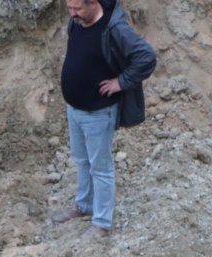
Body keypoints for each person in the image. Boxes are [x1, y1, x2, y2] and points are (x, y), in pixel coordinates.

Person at [52, 0, 156, 238]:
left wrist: (121, 82)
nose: (72, 14)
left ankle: (101, 224)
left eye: (77, 8)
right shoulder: (77, 21)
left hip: (98, 113)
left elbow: (146, 57)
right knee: (81, 159)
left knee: (101, 168)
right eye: (69, 8)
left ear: (94, 3)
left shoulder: (115, 28)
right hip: (75, 109)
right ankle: (84, 205)